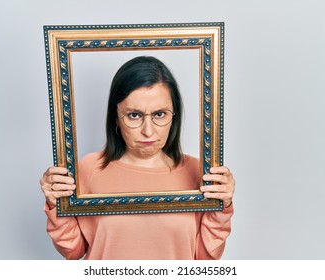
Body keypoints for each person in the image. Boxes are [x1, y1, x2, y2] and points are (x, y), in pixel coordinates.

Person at [39, 56, 235, 260]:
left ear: (173, 116)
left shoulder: (199, 173)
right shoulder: (89, 169)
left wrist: (223, 206)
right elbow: (73, 251)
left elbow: (206, 257)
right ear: (116, 116)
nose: (148, 131)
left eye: (159, 114)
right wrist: (55, 203)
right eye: (134, 115)